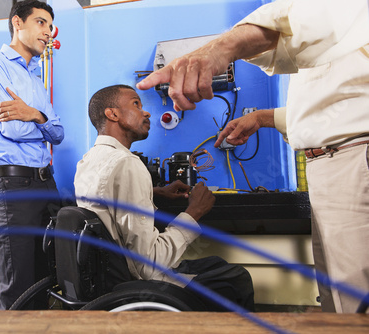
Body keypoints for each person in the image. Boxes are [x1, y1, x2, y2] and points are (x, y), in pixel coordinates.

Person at [137, 0, 369, 313]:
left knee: (353, 305)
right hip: (336, 163)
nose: (147, 114)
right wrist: (261, 118)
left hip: (352, 160)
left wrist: (222, 48)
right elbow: (332, 102)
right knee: (338, 302)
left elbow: (312, 20)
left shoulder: (330, 13)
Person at [74, 84, 254, 311]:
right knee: (235, 279)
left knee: (216, 264)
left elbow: (105, 201)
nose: (146, 112)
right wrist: (193, 213)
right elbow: (148, 266)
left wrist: (153, 193)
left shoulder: (88, 160)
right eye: (136, 104)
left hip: (104, 275)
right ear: (113, 114)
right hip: (137, 282)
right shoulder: (127, 163)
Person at [0, 0, 64, 310]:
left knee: (48, 282)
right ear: (17, 23)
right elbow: (12, 130)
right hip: (13, 190)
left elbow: (60, 134)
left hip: (45, 185)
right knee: (19, 293)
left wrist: (34, 114)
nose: (48, 32)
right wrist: (41, 123)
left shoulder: (36, 77)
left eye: (50, 26)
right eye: (41, 23)